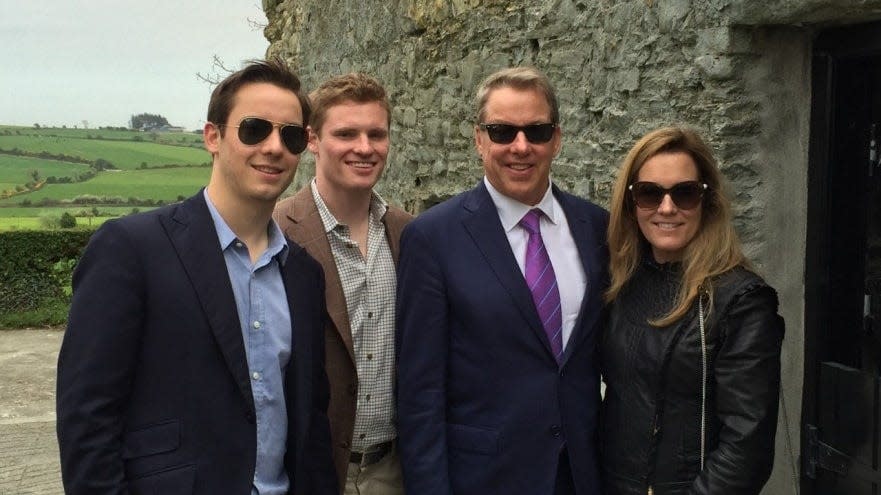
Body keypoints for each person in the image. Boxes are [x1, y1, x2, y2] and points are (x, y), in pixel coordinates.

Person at [56, 59, 338, 495]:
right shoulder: (132, 250)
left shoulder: (303, 274)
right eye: (254, 129)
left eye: (291, 135)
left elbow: (310, 419)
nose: (274, 146)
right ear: (213, 137)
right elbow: (87, 419)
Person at [395, 66, 609, 495]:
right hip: (484, 479)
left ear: (558, 138)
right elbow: (420, 395)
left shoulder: (596, 227)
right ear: (478, 139)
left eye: (537, 130)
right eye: (502, 132)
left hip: (582, 474)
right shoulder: (434, 238)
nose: (521, 146)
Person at [600, 126, 785, 494]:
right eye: (650, 194)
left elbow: (746, 445)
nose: (667, 208)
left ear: (707, 200)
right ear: (631, 202)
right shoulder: (621, 283)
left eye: (684, 193)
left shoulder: (740, 301)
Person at [273, 72, 412, 494]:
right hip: (308, 472)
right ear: (312, 139)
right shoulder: (277, 231)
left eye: (376, 133)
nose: (364, 147)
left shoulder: (409, 234)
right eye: (347, 133)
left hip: (395, 471)